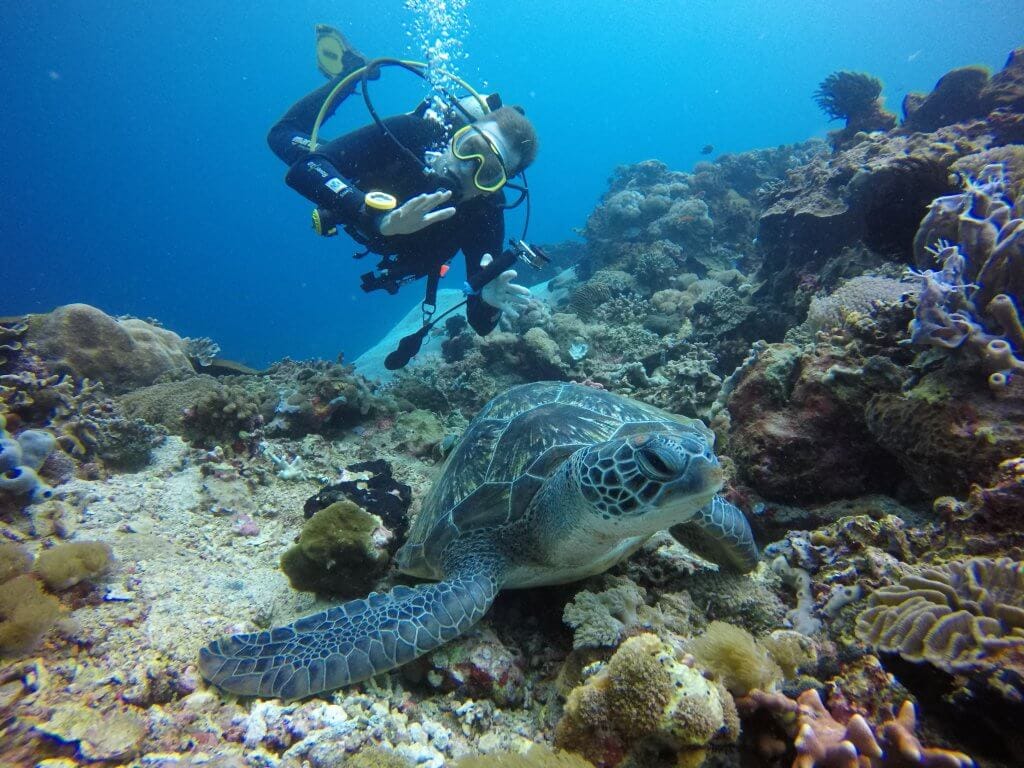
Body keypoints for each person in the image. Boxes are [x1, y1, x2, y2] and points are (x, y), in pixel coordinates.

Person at [267, 25, 540, 348]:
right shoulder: (412, 133)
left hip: (385, 238)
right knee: (281, 137)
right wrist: (374, 216)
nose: (466, 168)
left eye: (489, 172)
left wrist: (488, 302)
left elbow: (480, 324)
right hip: (357, 186)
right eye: (469, 147)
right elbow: (304, 169)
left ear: (493, 187)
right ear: (456, 135)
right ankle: (352, 73)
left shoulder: (485, 213)